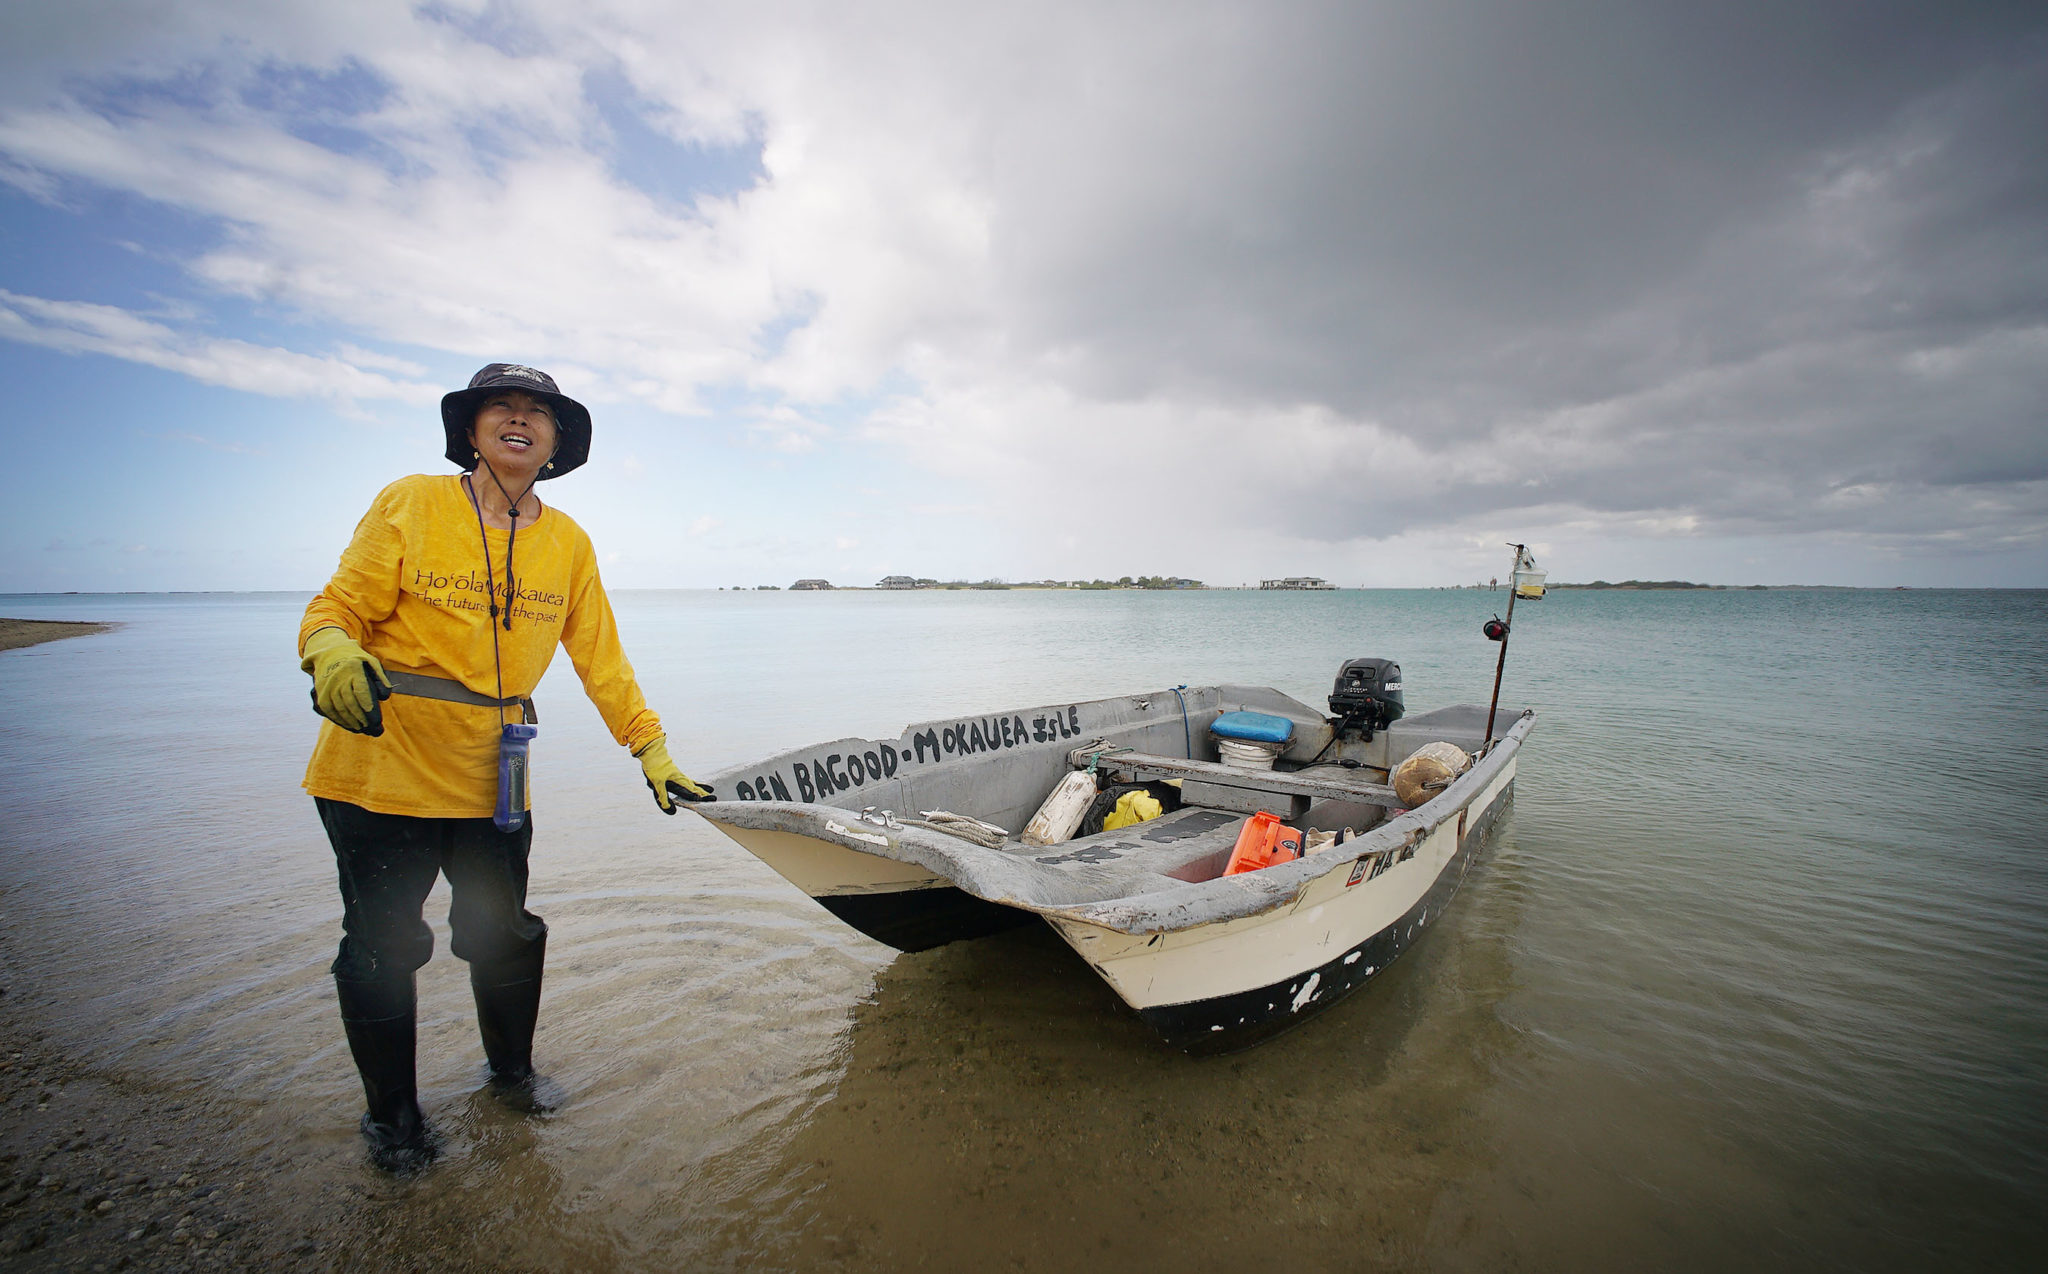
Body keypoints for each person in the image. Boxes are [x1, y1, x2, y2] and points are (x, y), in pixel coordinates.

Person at [298, 363, 713, 1171]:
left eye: (538, 412)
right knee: (383, 944)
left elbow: (601, 658)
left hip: (494, 772)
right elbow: (334, 608)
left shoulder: (569, 543)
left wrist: (649, 745)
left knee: (505, 935)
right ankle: (393, 1121)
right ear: (473, 431)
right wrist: (331, 653)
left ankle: (512, 1079)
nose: (520, 419)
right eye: (502, 407)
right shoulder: (411, 502)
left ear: (557, 443)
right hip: (381, 763)